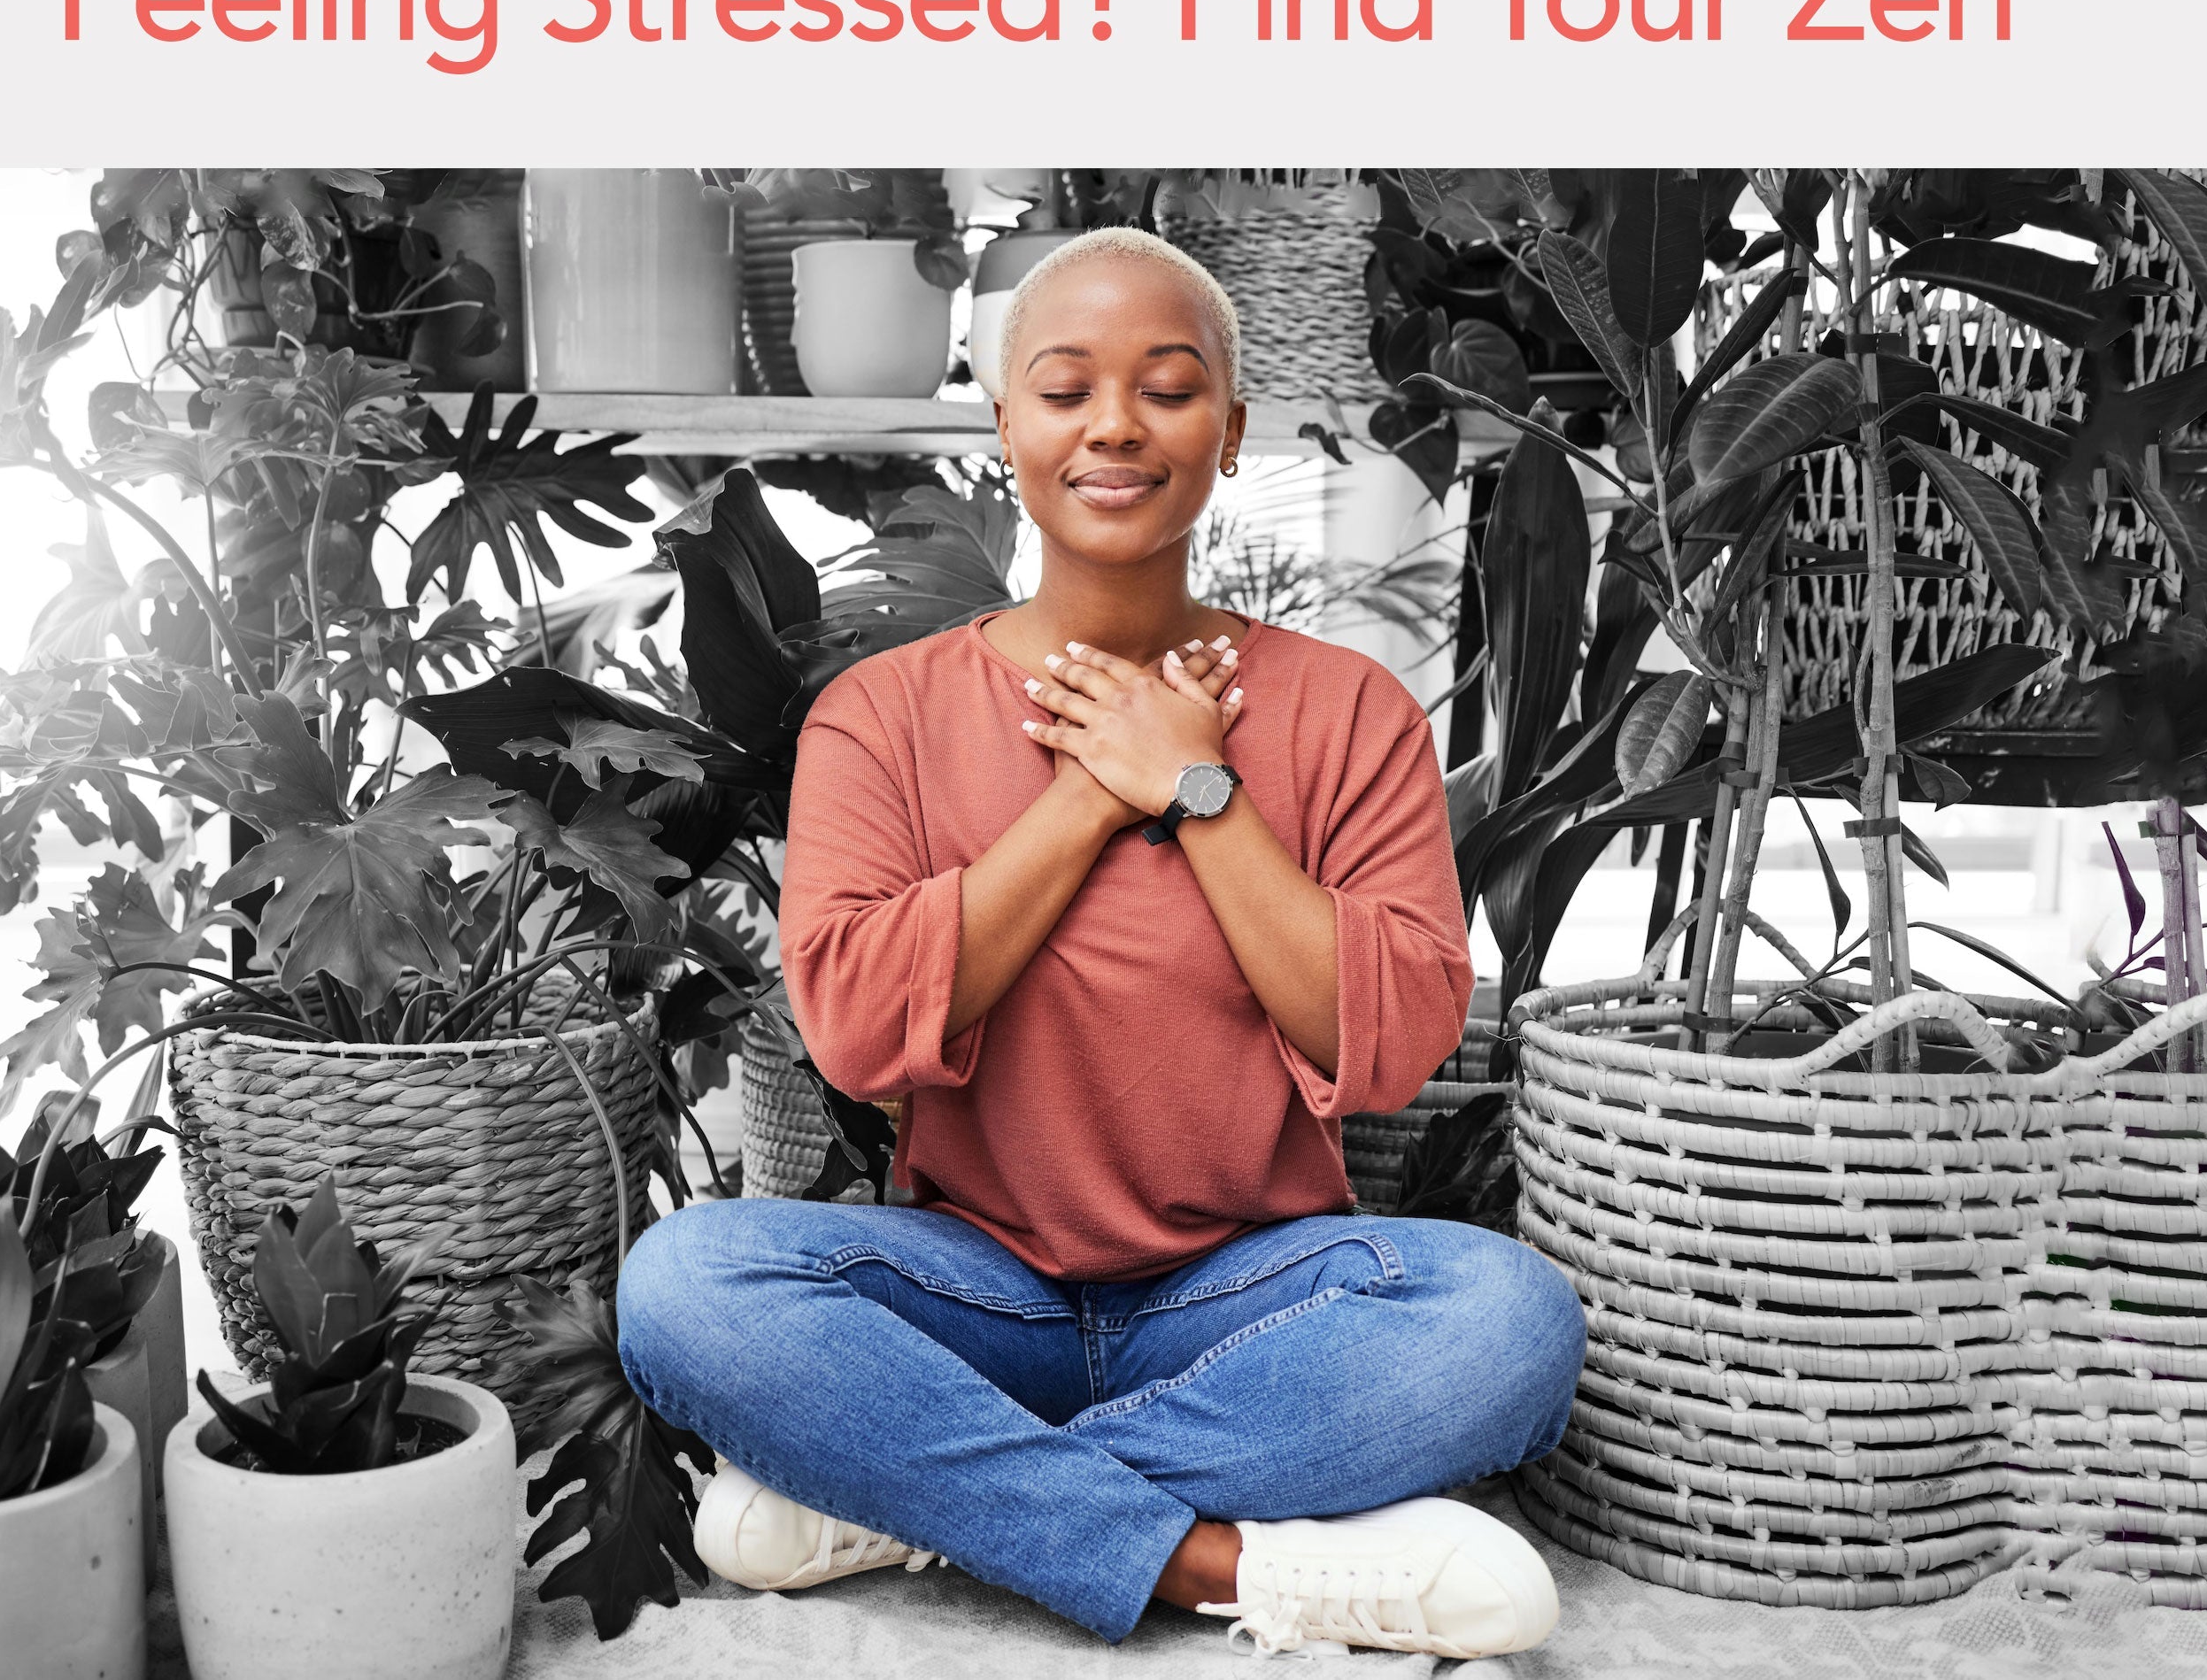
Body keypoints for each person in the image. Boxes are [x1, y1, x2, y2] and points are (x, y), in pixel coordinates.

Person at [614, 226, 1585, 1658]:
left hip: (1251, 1298)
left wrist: (1199, 789)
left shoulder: (1347, 710)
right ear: (1006, 423)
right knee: (685, 1285)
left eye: (1168, 386)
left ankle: (918, 1491)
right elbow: (862, 1028)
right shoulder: (879, 716)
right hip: (972, 1282)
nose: (1115, 425)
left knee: (1509, 1319)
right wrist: (1087, 790)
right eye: (1065, 388)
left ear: (1231, 429)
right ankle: (1212, 1559)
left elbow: (1393, 1037)